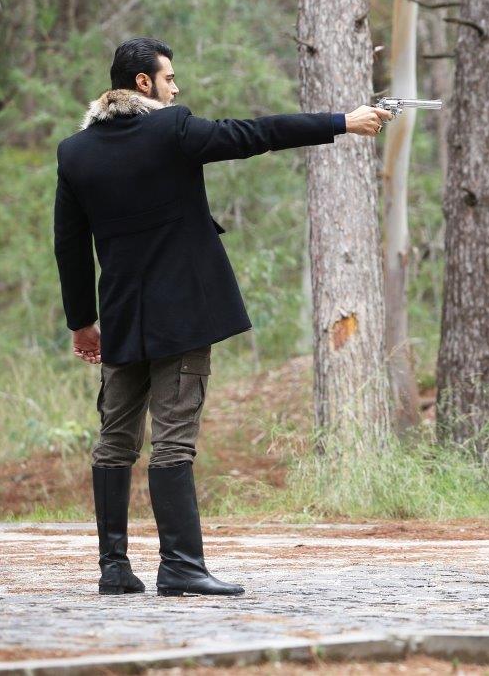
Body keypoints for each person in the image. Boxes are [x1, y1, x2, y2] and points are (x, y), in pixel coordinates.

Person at [54, 37, 392, 596]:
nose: (176, 88)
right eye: (169, 78)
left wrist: (81, 321)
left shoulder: (75, 152)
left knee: (114, 441)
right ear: (144, 83)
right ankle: (180, 566)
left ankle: (113, 568)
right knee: (173, 442)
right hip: (183, 315)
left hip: (120, 315)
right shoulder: (172, 129)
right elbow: (256, 134)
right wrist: (343, 122)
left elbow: (69, 245)